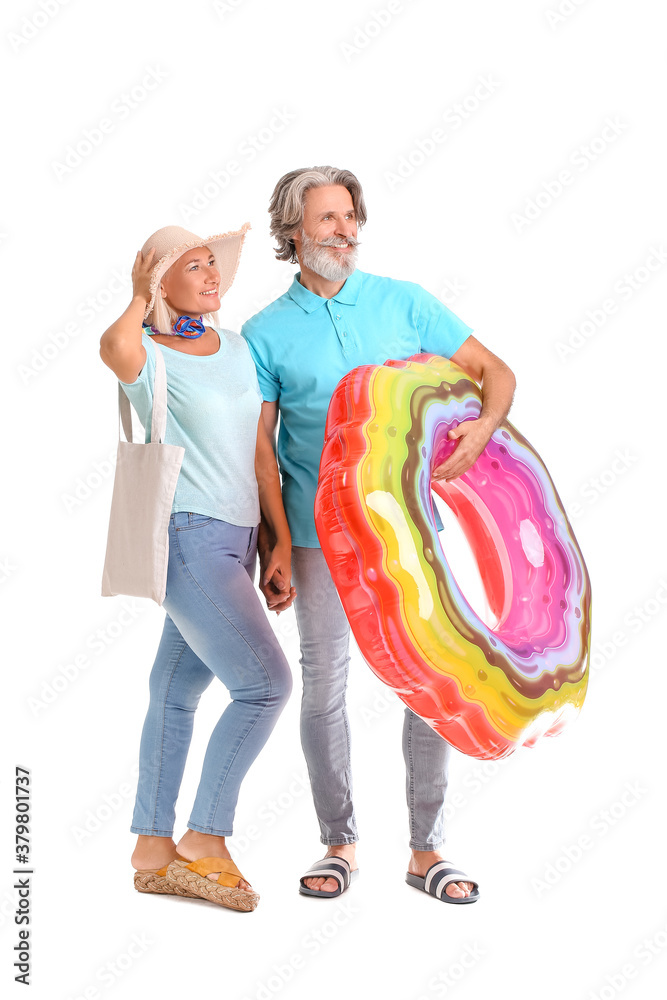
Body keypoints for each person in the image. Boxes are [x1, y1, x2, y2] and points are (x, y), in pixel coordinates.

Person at [241, 167, 516, 904]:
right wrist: (273, 544)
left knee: (427, 682)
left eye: (350, 216)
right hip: (313, 535)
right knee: (324, 686)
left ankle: (426, 851)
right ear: (293, 230)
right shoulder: (264, 332)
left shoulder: (404, 303)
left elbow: (493, 372)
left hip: (408, 529)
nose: (345, 230)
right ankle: (338, 843)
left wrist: (480, 433)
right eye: (328, 218)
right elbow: (261, 449)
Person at [100, 223, 295, 913]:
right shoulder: (149, 354)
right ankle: (205, 840)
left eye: (215, 264)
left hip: (240, 539)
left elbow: (260, 453)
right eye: (193, 266)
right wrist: (138, 293)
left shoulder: (239, 348)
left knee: (174, 690)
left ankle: (153, 850)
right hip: (186, 537)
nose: (212, 275)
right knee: (266, 684)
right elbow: (112, 347)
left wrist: (276, 543)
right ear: (162, 281)